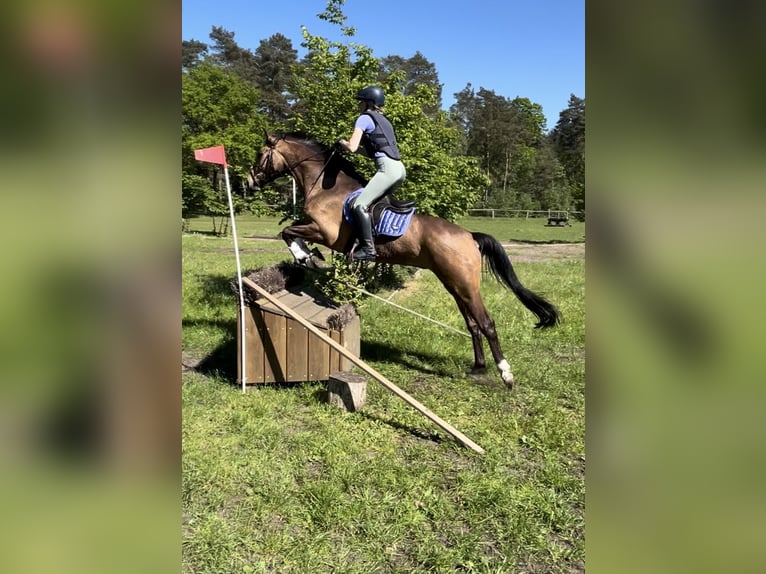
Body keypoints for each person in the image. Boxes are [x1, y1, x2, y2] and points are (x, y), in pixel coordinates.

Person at [336, 85, 406, 261]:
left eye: (361, 102)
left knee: (358, 205)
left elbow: (351, 147)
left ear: (368, 103)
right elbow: (374, 152)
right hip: (399, 169)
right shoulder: (384, 121)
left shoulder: (364, 118)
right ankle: (366, 238)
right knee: (372, 204)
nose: (358, 105)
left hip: (387, 170)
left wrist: (342, 143)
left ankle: (368, 249)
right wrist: (357, 150)